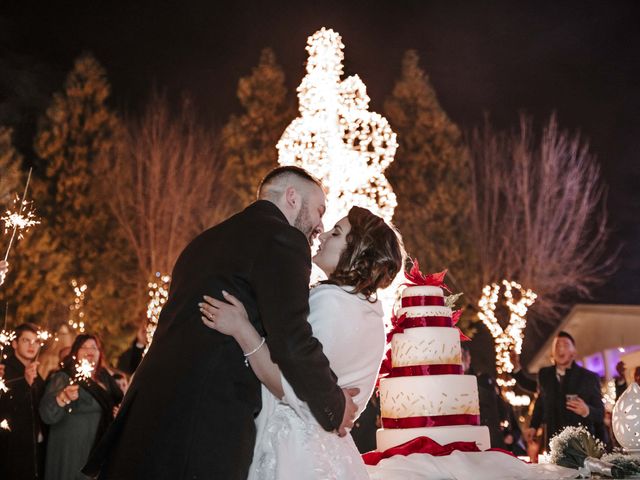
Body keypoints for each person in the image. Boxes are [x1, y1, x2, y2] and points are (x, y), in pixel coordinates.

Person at [85, 166, 359, 479]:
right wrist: (333, 405)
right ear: (292, 198)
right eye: (319, 210)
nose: (320, 225)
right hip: (204, 422)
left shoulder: (202, 243)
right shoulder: (284, 239)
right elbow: (293, 339)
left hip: (147, 414)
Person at [200, 206, 404, 479]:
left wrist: (241, 327)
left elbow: (289, 385)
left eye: (336, 233)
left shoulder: (330, 301)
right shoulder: (374, 316)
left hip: (291, 451)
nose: (322, 236)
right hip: (334, 453)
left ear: (358, 254)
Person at [40, 334, 123, 480]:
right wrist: (63, 397)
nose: (89, 350)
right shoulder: (65, 377)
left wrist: (117, 413)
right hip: (70, 450)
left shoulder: (105, 378)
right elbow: (46, 414)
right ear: (75, 352)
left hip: (95, 447)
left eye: (94, 347)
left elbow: (117, 403)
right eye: (84, 347)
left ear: (99, 353)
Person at [515, 332, 604, 449]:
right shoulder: (544, 375)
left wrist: (587, 410)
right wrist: (533, 427)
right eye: (557, 345)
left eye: (566, 345)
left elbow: (600, 413)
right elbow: (540, 403)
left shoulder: (589, 377)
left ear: (574, 352)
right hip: (553, 445)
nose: (560, 348)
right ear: (552, 352)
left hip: (581, 447)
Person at [0, 323, 46, 480]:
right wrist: (25, 384)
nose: (32, 345)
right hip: (10, 446)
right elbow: (6, 406)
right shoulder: (4, 370)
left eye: (36, 341)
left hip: (33, 445)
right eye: (26, 340)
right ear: (14, 343)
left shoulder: (36, 372)